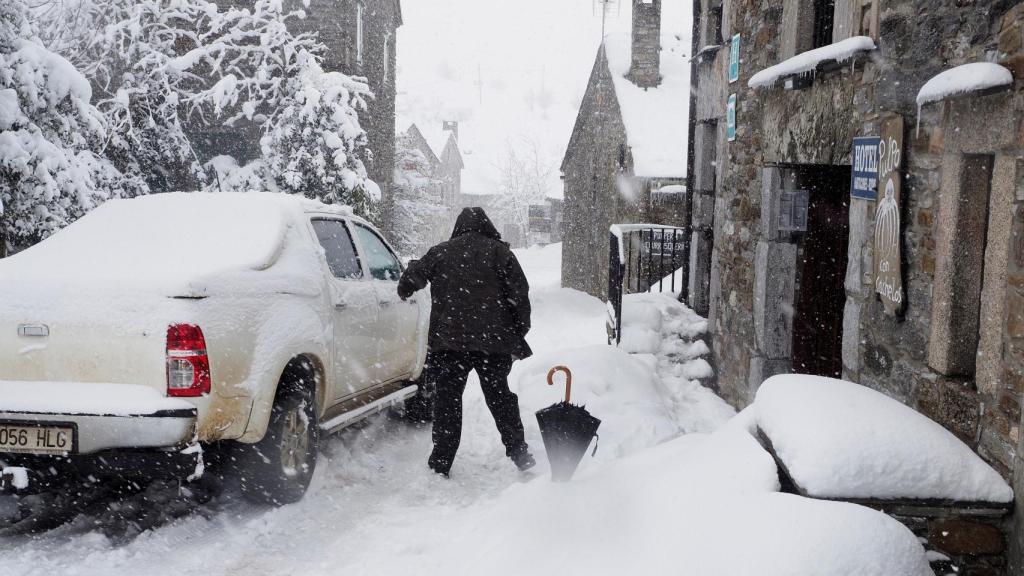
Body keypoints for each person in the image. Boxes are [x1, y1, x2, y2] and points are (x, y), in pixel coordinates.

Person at [398, 207, 535, 476]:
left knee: (448, 402)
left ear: (459, 227)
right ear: (487, 225)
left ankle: (441, 461)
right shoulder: (501, 253)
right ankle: (519, 451)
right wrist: (518, 333)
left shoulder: (441, 252)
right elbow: (520, 296)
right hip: (492, 344)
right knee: (500, 397)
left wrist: (405, 288)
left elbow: (412, 278)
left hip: (450, 344)